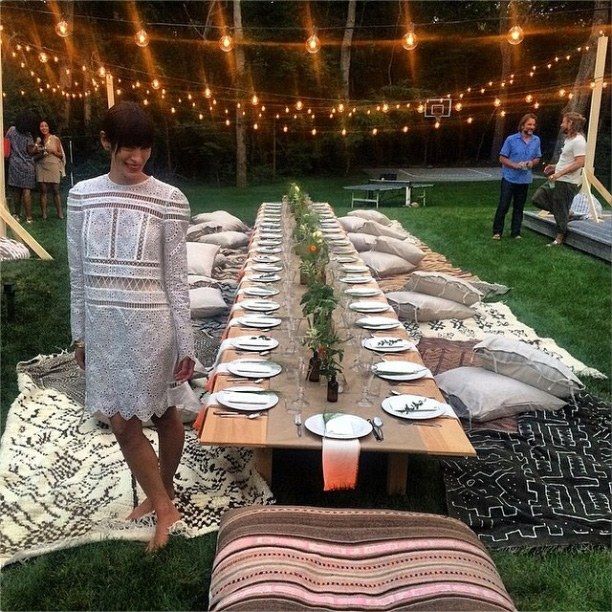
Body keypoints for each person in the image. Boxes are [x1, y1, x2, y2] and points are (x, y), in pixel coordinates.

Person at [67, 101, 195, 552]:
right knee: (133, 419)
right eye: (127, 147)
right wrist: (80, 333)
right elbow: (78, 272)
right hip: (104, 326)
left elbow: (177, 278)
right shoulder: (81, 195)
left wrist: (186, 341)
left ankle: (162, 501)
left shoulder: (169, 200)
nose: (135, 157)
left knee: (159, 413)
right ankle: (162, 501)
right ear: (106, 142)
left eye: (143, 148)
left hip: (151, 325)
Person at [532, 111, 587, 247]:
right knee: (538, 198)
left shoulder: (579, 141)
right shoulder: (569, 139)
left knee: (560, 205)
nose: (561, 124)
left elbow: (580, 162)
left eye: (564, 122)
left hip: (567, 182)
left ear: (571, 124)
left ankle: (559, 238)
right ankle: (566, 214)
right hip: (558, 177)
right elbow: (568, 160)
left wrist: (559, 173)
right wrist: (554, 167)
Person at [492, 113, 541, 239]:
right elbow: (502, 158)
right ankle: (497, 232)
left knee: (519, 207)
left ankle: (516, 232)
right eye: (529, 124)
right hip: (509, 178)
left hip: (524, 179)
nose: (532, 127)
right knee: (504, 205)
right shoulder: (511, 139)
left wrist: (531, 163)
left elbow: (537, 158)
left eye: (533, 125)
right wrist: (514, 165)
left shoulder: (536, 140)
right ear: (523, 125)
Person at [5, 110, 38, 223]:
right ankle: (29, 217)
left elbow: (6, 146)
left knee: (16, 191)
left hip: (14, 164)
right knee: (26, 191)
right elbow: (30, 151)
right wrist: (37, 144)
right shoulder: (28, 135)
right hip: (28, 165)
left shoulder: (11, 130)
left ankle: (16, 215)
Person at [34, 120, 65, 219]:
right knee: (43, 191)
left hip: (53, 165)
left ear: (49, 127)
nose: (44, 128)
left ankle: (60, 214)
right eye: (41, 126)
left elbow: (61, 155)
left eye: (45, 126)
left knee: (56, 190)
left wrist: (53, 151)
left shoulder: (55, 139)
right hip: (41, 165)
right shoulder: (38, 140)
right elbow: (33, 155)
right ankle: (44, 214)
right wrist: (37, 145)